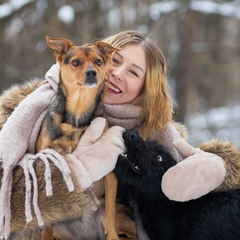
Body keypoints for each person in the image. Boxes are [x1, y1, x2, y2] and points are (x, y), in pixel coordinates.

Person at [0, 30, 239, 240]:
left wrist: (219, 167)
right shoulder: (26, 110)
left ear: (146, 88)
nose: (117, 73)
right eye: (115, 60)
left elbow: (185, 206)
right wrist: (78, 169)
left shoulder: (156, 134)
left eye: (134, 73)